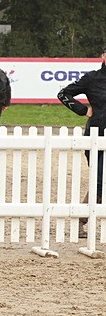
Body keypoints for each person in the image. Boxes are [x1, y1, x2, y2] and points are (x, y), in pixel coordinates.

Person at [57, 44, 106, 236]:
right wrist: (83, 110)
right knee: (101, 180)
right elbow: (63, 94)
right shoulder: (92, 79)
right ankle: (81, 220)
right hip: (97, 136)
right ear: (102, 56)